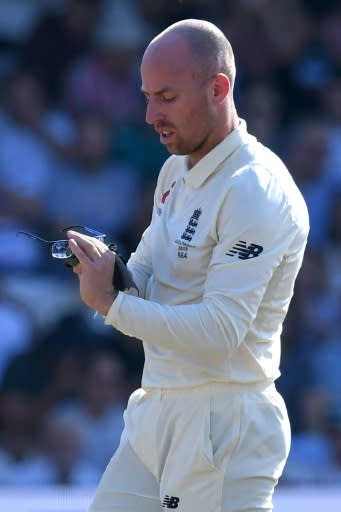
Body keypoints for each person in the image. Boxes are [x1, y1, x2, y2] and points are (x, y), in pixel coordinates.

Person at [67, 19, 309, 512]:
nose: (151, 114)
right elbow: (147, 278)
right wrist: (108, 273)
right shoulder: (175, 168)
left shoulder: (255, 188)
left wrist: (110, 303)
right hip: (158, 409)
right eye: (147, 96)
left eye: (167, 97)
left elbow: (221, 331)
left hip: (224, 423)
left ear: (218, 88)